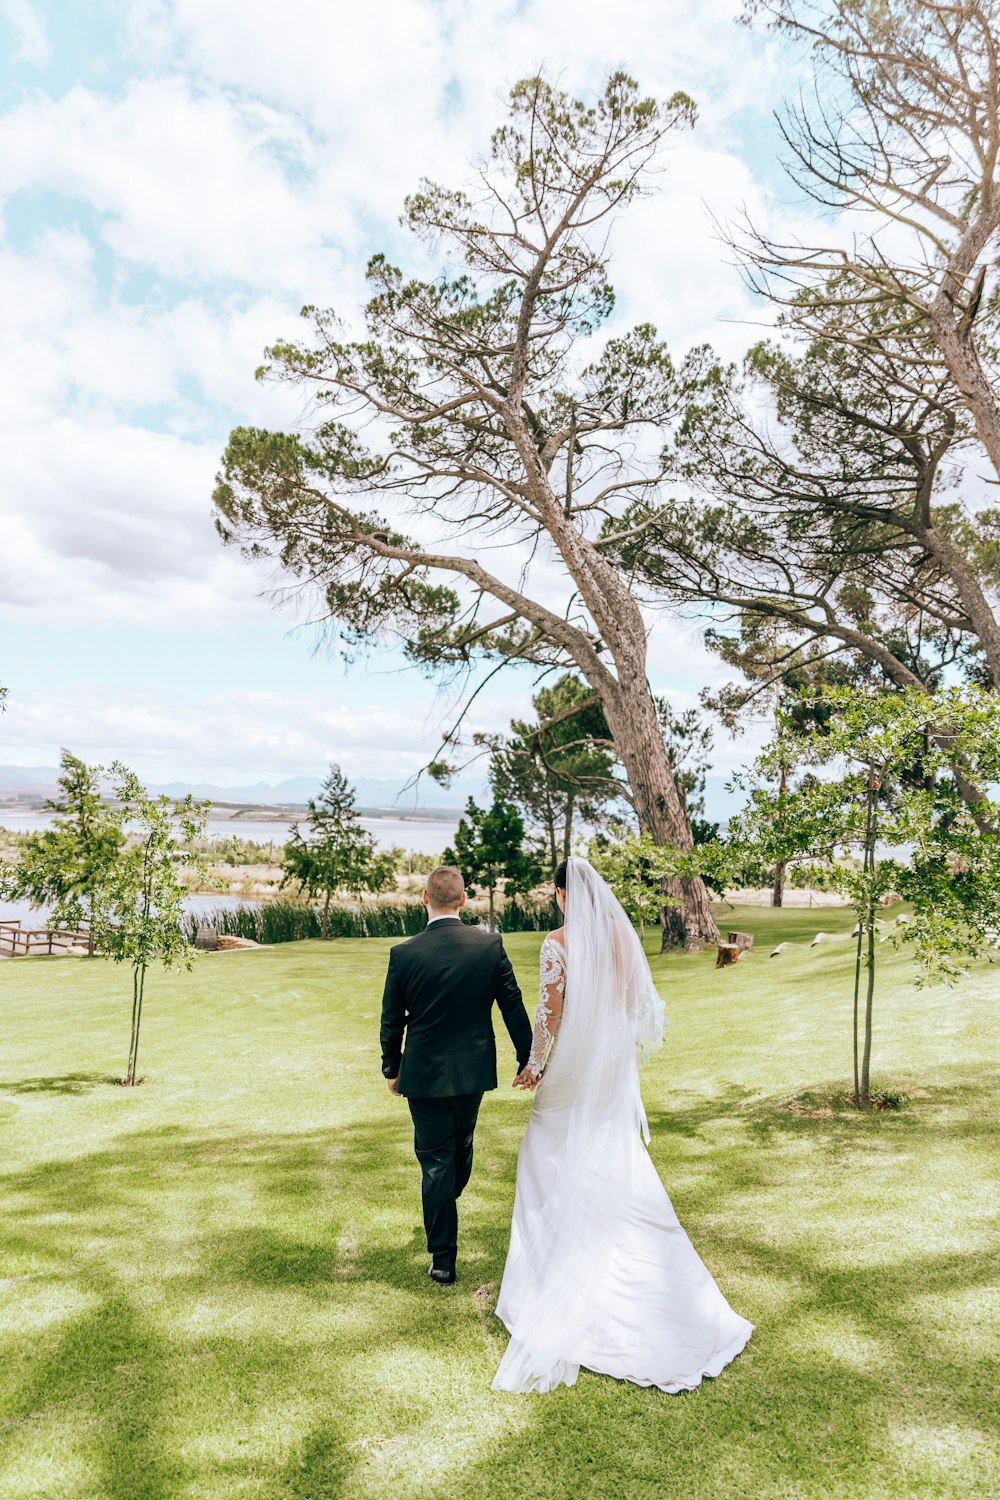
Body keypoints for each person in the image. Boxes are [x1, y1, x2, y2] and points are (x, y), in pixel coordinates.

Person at [493, 856, 753, 1393]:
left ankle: (546, 1279)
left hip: (569, 1069)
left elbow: (550, 1013)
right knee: (612, 1152)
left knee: (544, 1152)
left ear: (565, 895)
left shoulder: (557, 943)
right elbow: (638, 1005)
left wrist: (533, 1067)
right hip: (609, 1065)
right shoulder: (621, 935)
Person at [380, 865, 533, 1285]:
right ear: (463, 900)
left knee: (441, 1162)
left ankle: (442, 1216)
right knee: (447, 1155)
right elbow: (513, 1005)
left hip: (425, 1075)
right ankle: (442, 1257)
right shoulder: (488, 946)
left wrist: (391, 1066)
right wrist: (527, 1056)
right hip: (468, 1073)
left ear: (424, 899)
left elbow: (391, 1020)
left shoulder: (404, 954)